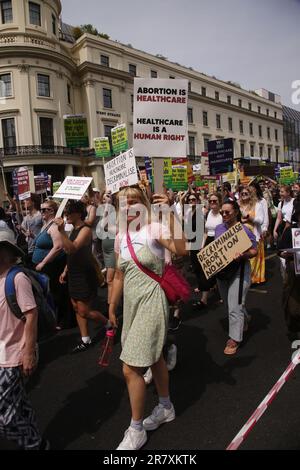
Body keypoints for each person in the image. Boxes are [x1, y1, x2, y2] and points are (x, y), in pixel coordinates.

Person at [109, 186, 187, 450]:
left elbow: (181, 249)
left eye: (134, 201)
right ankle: (166, 407)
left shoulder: (154, 229)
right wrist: (112, 305)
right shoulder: (121, 236)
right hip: (132, 306)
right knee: (156, 358)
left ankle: (136, 429)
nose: (129, 206)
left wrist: (170, 212)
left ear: (143, 203)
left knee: (131, 369)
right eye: (124, 202)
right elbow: (119, 275)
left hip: (153, 301)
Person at [0, 229, 49, 450]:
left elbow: (31, 315)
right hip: (1, 354)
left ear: (9, 253)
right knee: (20, 406)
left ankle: (32, 443)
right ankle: (37, 443)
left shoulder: (17, 278)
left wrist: (29, 352)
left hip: (13, 357)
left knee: (5, 417)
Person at [56, 200, 109, 353]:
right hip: (73, 272)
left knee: (84, 310)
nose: (66, 215)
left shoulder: (85, 229)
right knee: (76, 307)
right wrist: (65, 270)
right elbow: (69, 253)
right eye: (65, 212)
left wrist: (61, 231)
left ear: (78, 213)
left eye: (69, 212)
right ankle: (85, 339)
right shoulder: (73, 229)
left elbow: (72, 248)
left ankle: (108, 324)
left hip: (84, 275)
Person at [215, 200, 257, 355]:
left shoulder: (244, 231)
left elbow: (254, 251)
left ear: (236, 212)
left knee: (234, 305)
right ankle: (244, 318)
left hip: (239, 270)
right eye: (222, 212)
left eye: (227, 212)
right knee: (228, 303)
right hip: (223, 273)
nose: (224, 215)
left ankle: (235, 338)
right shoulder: (219, 228)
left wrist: (243, 255)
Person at [32, 200, 67, 328]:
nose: (41, 212)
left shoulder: (54, 226)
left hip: (52, 266)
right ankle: (55, 317)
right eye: (41, 209)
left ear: (52, 211)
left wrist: (43, 262)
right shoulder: (46, 224)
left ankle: (61, 320)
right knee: (49, 293)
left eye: (44, 210)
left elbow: (58, 247)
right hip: (45, 266)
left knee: (56, 293)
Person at [192, 192, 222, 308]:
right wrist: (203, 246)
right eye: (210, 201)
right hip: (208, 240)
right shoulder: (208, 213)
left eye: (215, 201)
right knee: (206, 269)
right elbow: (205, 231)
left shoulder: (222, 215)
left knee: (218, 270)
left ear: (220, 202)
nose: (212, 203)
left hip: (218, 242)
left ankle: (222, 295)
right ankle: (204, 299)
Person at [278, 200, 300, 339]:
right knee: (294, 310)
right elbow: (280, 251)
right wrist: (287, 254)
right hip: (294, 276)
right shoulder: (290, 232)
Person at [239, 186, 265, 284]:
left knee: (252, 258)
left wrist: (250, 218)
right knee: (243, 257)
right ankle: (245, 278)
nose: (244, 195)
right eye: (242, 194)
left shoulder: (257, 205)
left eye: (246, 193)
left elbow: (261, 220)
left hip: (253, 235)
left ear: (250, 194)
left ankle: (251, 279)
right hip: (240, 236)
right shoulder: (238, 205)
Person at [21, 195, 43, 266]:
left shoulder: (40, 215)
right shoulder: (26, 217)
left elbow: (46, 231)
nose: (24, 202)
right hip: (30, 248)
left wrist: (33, 236)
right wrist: (26, 234)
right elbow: (23, 228)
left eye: (27, 200)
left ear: (33, 202)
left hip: (40, 248)